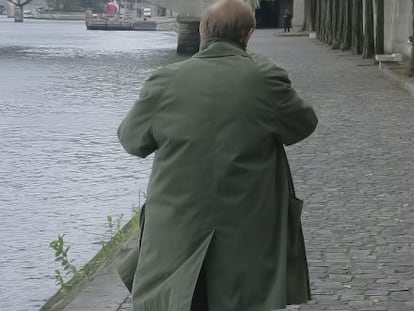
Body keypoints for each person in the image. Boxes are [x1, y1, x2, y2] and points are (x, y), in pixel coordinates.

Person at [117, 0, 318, 310]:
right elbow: (302, 125)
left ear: (201, 30)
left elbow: (132, 140)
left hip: (177, 223)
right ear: (248, 35)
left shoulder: (165, 80)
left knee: (177, 296)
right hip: (248, 224)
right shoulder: (265, 78)